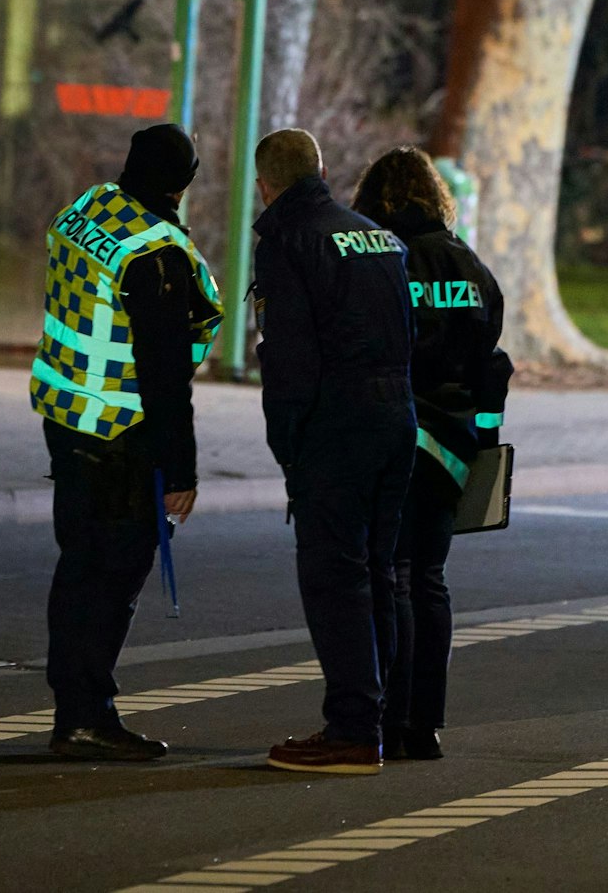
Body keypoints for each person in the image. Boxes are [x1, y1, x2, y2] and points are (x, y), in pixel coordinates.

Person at [30, 124, 223, 762]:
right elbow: (165, 378)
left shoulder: (89, 210)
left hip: (67, 420)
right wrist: (182, 471)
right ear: (185, 183)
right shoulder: (155, 253)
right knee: (110, 578)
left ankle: (73, 711)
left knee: (78, 568)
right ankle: (87, 716)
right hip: (120, 435)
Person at [251, 128, 417, 775]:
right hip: (395, 418)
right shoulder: (377, 235)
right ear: (321, 169)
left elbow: (287, 358)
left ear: (266, 184)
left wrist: (287, 443)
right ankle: (382, 722)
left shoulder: (287, 240)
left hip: (336, 426)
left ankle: (351, 731)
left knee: (334, 578)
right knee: (378, 572)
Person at [353, 147, 511, 762]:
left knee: (390, 575)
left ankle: (389, 717)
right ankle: (426, 723)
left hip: (395, 437)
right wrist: (485, 442)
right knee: (429, 578)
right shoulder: (469, 267)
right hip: (452, 447)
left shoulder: (381, 260)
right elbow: (489, 360)